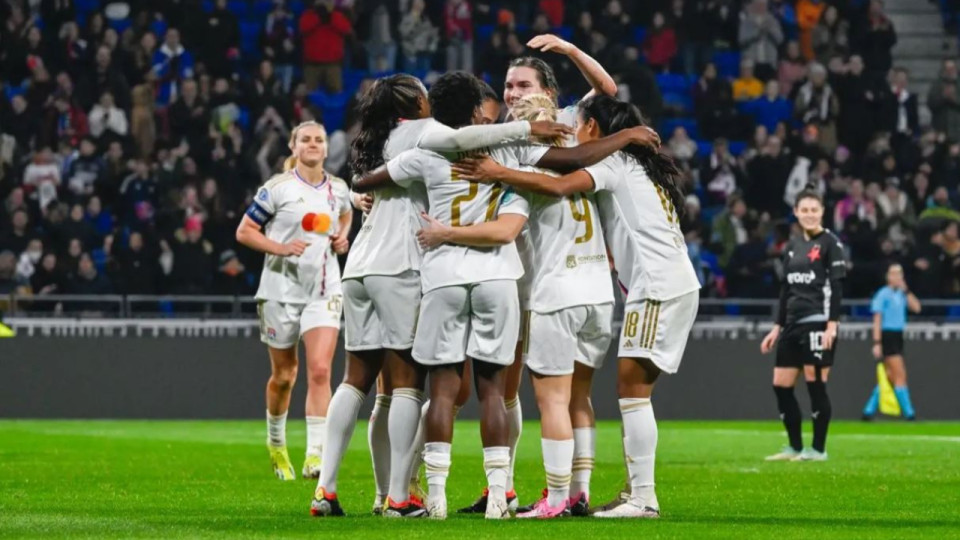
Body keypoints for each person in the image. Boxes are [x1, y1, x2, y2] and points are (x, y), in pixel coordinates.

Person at [351, 73, 658, 520]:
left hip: (445, 279)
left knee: (441, 391)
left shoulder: (426, 153)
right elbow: (562, 168)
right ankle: (502, 495)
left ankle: (431, 495)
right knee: (497, 391)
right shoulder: (513, 157)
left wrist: (372, 196)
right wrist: (623, 135)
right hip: (506, 279)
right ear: (477, 111)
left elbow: (367, 180)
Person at [312, 73, 571, 518]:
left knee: (358, 382)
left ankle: (328, 489)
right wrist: (529, 129)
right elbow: (475, 137)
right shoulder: (437, 136)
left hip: (360, 265)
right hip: (404, 265)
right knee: (407, 387)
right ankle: (399, 496)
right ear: (417, 101)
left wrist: (359, 195)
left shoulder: (386, 137)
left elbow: (363, 181)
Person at [452, 95, 700, 519]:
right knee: (595, 396)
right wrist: (569, 52)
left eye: (582, 124)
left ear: (592, 130)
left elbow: (556, 184)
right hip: (607, 293)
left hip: (630, 288)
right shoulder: (632, 165)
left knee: (624, 395)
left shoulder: (606, 164)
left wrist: (497, 174)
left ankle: (632, 497)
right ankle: (594, 493)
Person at [420, 93, 614, 518]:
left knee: (550, 400)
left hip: (554, 292)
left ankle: (556, 498)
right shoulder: (587, 166)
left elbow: (507, 227)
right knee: (579, 397)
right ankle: (578, 491)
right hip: (599, 290)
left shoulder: (524, 171)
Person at [235, 121, 353, 481]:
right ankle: (276, 444)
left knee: (320, 370)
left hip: (324, 288)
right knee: (285, 375)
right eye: (306, 139)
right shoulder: (277, 189)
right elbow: (245, 231)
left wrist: (341, 238)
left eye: (319, 139)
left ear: (326, 148)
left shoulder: (338, 188)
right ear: (294, 146)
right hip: (280, 291)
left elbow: (346, 214)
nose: (314, 144)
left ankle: (315, 456)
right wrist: (281, 247)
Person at [760, 185, 847, 462]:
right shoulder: (792, 246)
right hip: (792, 325)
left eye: (814, 210)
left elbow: (836, 287)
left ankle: (818, 449)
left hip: (818, 322)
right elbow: (786, 290)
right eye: (804, 210)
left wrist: (832, 324)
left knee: (815, 384)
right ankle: (795, 447)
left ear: (822, 212)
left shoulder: (831, 244)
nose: (809, 214)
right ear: (796, 212)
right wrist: (777, 326)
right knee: (781, 385)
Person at [862, 264, 921, 420]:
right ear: (888, 276)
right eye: (893, 274)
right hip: (887, 335)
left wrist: (906, 290)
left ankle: (868, 411)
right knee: (900, 374)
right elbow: (877, 320)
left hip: (898, 335)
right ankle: (910, 413)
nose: (897, 277)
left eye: (899, 274)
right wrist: (877, 342)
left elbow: (916, 308)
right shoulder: (882, 294)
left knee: (889, 375)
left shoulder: (902, 294)